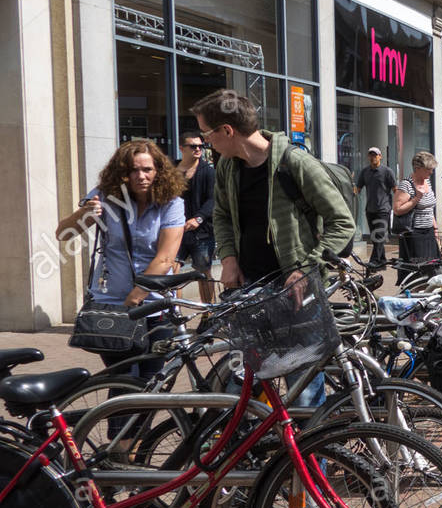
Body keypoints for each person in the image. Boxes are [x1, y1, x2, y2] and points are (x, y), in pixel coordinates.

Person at [193, 89, 352, 293]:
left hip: (298, 290)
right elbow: (222, 215)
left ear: (227, 130)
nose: (205, 142)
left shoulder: (296, 163)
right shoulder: (227, 166)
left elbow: (342, 222)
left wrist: (305, 270)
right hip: (248, 287)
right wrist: (228, 259)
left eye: (205, 134)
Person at [56, 139, 186, 375]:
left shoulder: (171, 204)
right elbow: (63, 234)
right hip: (111, 304)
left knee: (150, 378)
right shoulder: (106, 197)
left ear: (159, 171)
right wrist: (84, 214)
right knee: (121, 378)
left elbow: (165, 259)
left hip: (155, 306)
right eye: (133, 170)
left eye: (147, 169)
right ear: (122, 173)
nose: (141, 176)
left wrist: (132, 302)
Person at [176, 130, 217, 304]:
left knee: (203, 273)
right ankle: (175, 312)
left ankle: (208, 312)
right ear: (181, 148)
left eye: (201, 146)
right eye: (193, 146)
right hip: (176, 231)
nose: (198, 149)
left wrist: (198, 218)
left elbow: (213, 199)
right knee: (172, 271)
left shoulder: (208, 171)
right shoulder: (171, 171)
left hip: (202, 233)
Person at [354, 147, 396, 270]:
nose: (373, 157)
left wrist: (397, 206)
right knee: (375, 237)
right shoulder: (365, 172)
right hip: (370, 210)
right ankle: (382, 262)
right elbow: (358, 189)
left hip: (383, 209)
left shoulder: (387, 171)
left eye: (375, 155)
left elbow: (395, 189)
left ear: (380, 156)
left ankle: (373, 262)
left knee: (379, 237)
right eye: (371, 155)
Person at [393, 150, 439, 264]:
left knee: (432, 265)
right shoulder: (406, 184)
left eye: (432, 168)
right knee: (417, 266)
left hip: (428, 232)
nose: (431, 172)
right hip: (414, 234)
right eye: (428, 169)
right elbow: (397, 210)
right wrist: (417, 198)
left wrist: (435, 228)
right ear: (418, 168)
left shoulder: (427, 182)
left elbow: (429, 208)